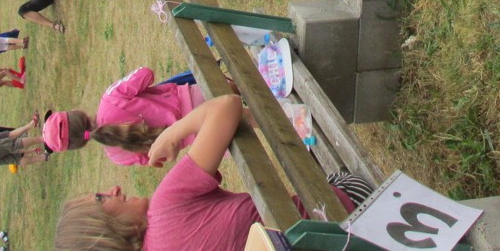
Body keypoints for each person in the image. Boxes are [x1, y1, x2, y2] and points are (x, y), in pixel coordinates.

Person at [51, 95, 369, 251]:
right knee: (338, 178)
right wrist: (172, 133)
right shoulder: (166, 207)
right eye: (101, 198)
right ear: (105, 231)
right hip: (348, 223)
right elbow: (226, 107)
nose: (114, 189)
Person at [41, 66, 206, 166]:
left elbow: (157, 158)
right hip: (198, 100)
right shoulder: (109, 99)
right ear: (75, 112)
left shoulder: (116, 156)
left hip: (200, 136)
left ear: (78, 145)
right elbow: (146, 73)